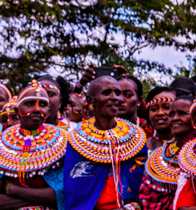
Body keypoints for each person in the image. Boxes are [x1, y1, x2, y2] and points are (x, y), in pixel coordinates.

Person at [63, 75, 148, 210]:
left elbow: (144, 185)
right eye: (106, 93)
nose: (115, 97)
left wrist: (132, 207)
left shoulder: (136, 137)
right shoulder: (77, 139)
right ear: (91, 100)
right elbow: (74, 189)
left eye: (117, 93)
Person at [0, 81, 65, 210]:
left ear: (49, 110)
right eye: (30, 104)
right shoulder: (1, 142)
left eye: (43, 104)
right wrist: (39, 200)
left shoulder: (63, 141)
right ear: (18, 110)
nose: (37, 110)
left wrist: (10, 188)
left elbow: (59, 195)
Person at [140, 93, 196, 210]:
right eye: (172, 114)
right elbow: (146, 199)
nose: (175, 118)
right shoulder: (158, 156)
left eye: (182, 113)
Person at [146, 87, 178, 152]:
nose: (160, 113)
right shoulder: (142, 147)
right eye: (154, 109)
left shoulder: (191, 146)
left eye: (166, 107)